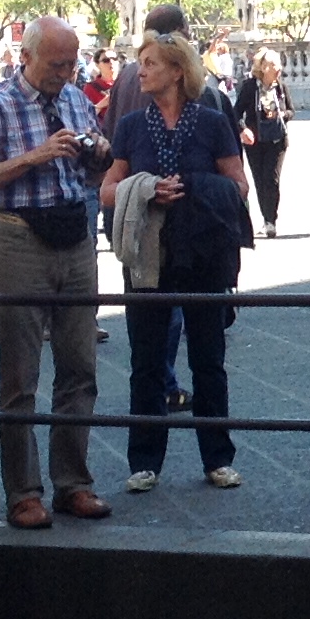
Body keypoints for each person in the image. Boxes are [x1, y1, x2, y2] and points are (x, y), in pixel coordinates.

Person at [0, 15, 111, 529]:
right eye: (55, 64)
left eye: (71, 64)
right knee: (20, 373)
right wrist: (33, 157)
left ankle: (74, 483)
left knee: (80, 366)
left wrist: (99, 155)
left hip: (75, 235)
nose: (64, 74)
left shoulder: (76, 99)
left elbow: (91, 171)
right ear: (25, 56)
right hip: (19, 236)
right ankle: (23, 492)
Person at [101, 33, 249, 493]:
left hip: (203, 252)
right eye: (140, 63)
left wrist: (195, 187)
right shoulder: (130, 125)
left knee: (209, 358)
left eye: (150, 63)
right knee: (145, 360)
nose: (140, 71)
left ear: (178, 71)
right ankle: (144, 461)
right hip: (149, 254)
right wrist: (145, 188)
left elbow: (239, 184)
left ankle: (217, 458)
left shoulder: (211, 122)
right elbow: (107, 190)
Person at [233, 48, 296, 236]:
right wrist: (243, 129)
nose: (279, 68)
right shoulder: (250, 87)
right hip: (255, 141)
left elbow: (291, 111)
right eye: (275, 65)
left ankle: (271, 221)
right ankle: (266, 217)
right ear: (264, 67)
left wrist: (282, 114)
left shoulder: (281, 87)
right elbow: (236, 112)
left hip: (277, 139)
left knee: (271, 178)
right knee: (260, 180)